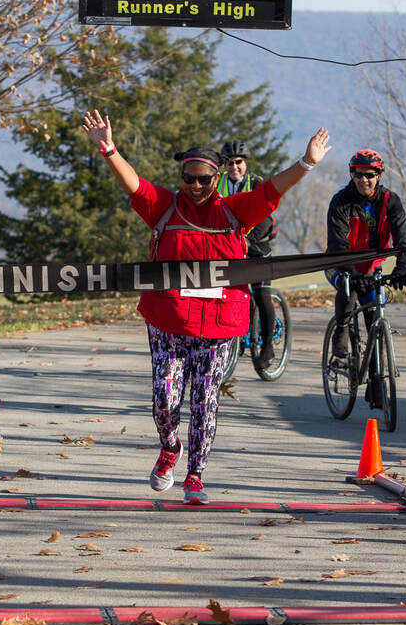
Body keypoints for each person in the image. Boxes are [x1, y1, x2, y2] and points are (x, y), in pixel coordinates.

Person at [83, 108, 330, 504]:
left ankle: (195, 476)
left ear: (216, 179)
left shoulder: (234, 211)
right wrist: (109, 150)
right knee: (165, 397)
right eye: (188, 178)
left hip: (218, 326)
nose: (195, 186)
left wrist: (306, 163)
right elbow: (135, 187)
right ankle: (169, 447)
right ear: (180, 177)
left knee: (204, 399)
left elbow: (271, 191)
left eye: (202, 179)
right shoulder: (165, 207)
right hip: (168, 320)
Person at [326, 149, 406, 408]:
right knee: (348, 294)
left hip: (372, 267)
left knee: (376, 320)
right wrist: (351, 272)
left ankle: (376, 383)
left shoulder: (390, 201)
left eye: (369, 175)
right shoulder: (340, 201)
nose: (363, 180)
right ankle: (340, 339)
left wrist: (403, 267)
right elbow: (338, 243)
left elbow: (402, 238)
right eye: (357, 174)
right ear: (351, 174)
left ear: (379, 175)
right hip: (340, 264)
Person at [218, 140, 277, 369]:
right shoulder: (218, 183)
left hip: (256, 246)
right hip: (229, 247)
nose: (234, 167)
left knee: (262, 296)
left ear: (245, 163)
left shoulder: (256, 183)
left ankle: (268, 346)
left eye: (239, 162)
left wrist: (247, 241)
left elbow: (266, 217)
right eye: (230, 163)